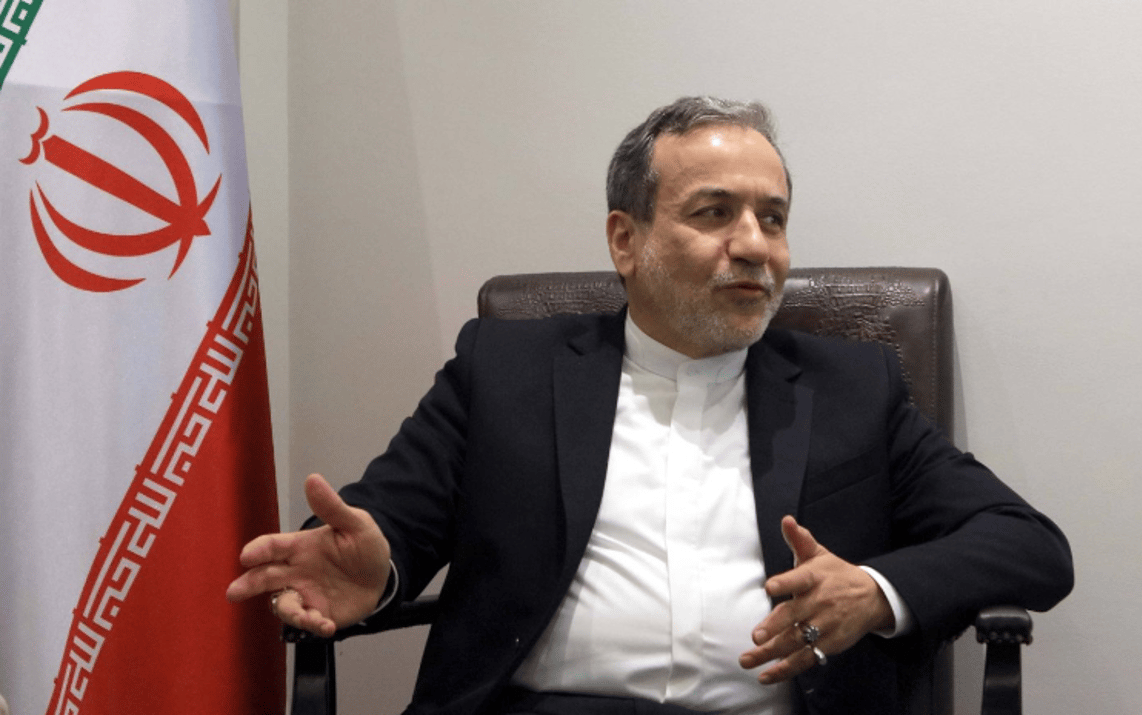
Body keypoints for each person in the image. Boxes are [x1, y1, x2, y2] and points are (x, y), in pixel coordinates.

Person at [227, 96, 1073, 714]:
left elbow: (1029, 545)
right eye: (715, 212)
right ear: (624, 240)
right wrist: (379, 570)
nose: (755, 245)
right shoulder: (506, 369)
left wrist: (876, 590)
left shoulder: (853, 387)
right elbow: (388, 526)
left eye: (773, 218)